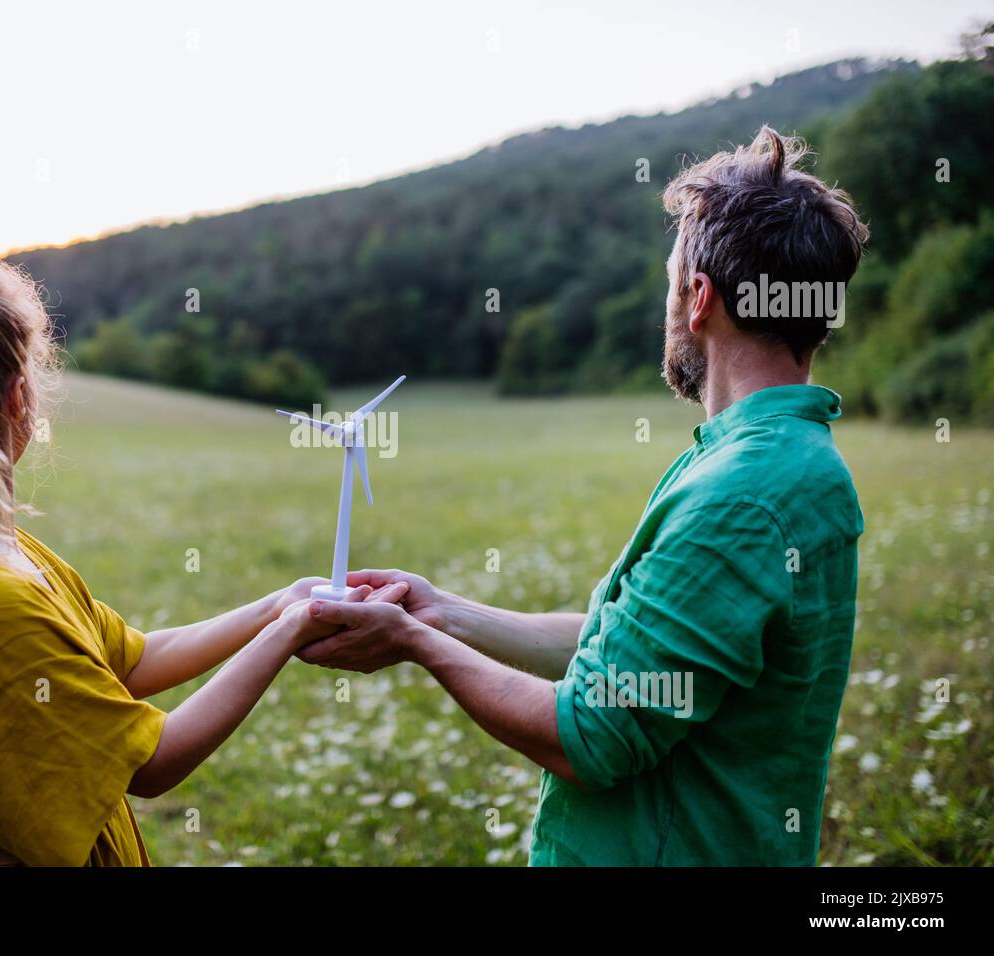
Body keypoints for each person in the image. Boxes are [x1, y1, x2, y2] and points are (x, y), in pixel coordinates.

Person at [297, 126, 870, 865]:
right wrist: (444, 613)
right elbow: (633, 657)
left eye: (671, 285)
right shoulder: (774, 459)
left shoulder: (745, 494)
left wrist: (415, 644)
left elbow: (591, 736)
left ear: (699, 300)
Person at [0, 260, 406, 866]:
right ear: (18, 400)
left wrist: (278, 605)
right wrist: (287, 633)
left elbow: (133, 661)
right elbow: (152, 763)